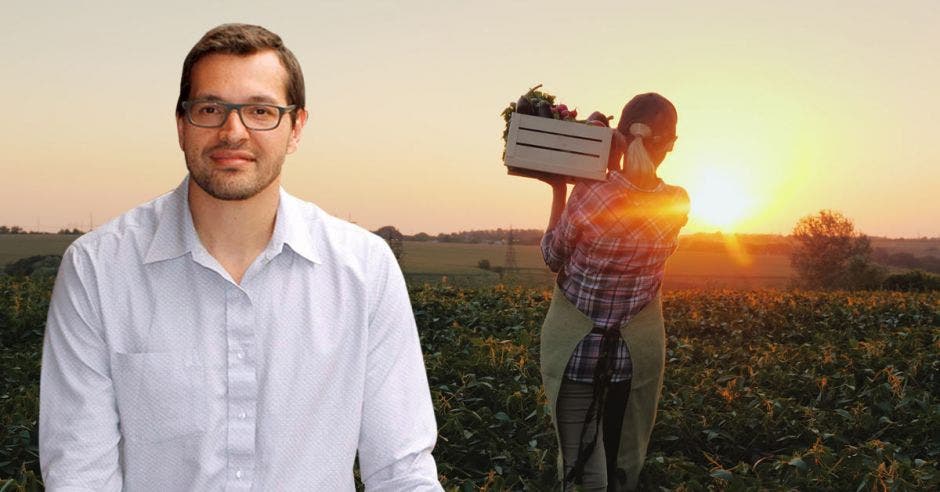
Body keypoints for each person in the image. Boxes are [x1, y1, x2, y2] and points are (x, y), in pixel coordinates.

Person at [39, 24, 442, 491]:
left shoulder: (365, 269)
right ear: (181, 125)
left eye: (260, 110)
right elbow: (79, 475)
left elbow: (401, 471)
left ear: (296, 129)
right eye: (210, 109)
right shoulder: (97, 270)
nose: (234, 132)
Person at [538, 93, 690, 491]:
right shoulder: (677, 203)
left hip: (577, 356)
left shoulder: (591, 194)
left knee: (581, 468)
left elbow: (553, 255)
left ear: (619, 137)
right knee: (618, 461)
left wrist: (562, 185)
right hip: (632, 359)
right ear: (670, 144)